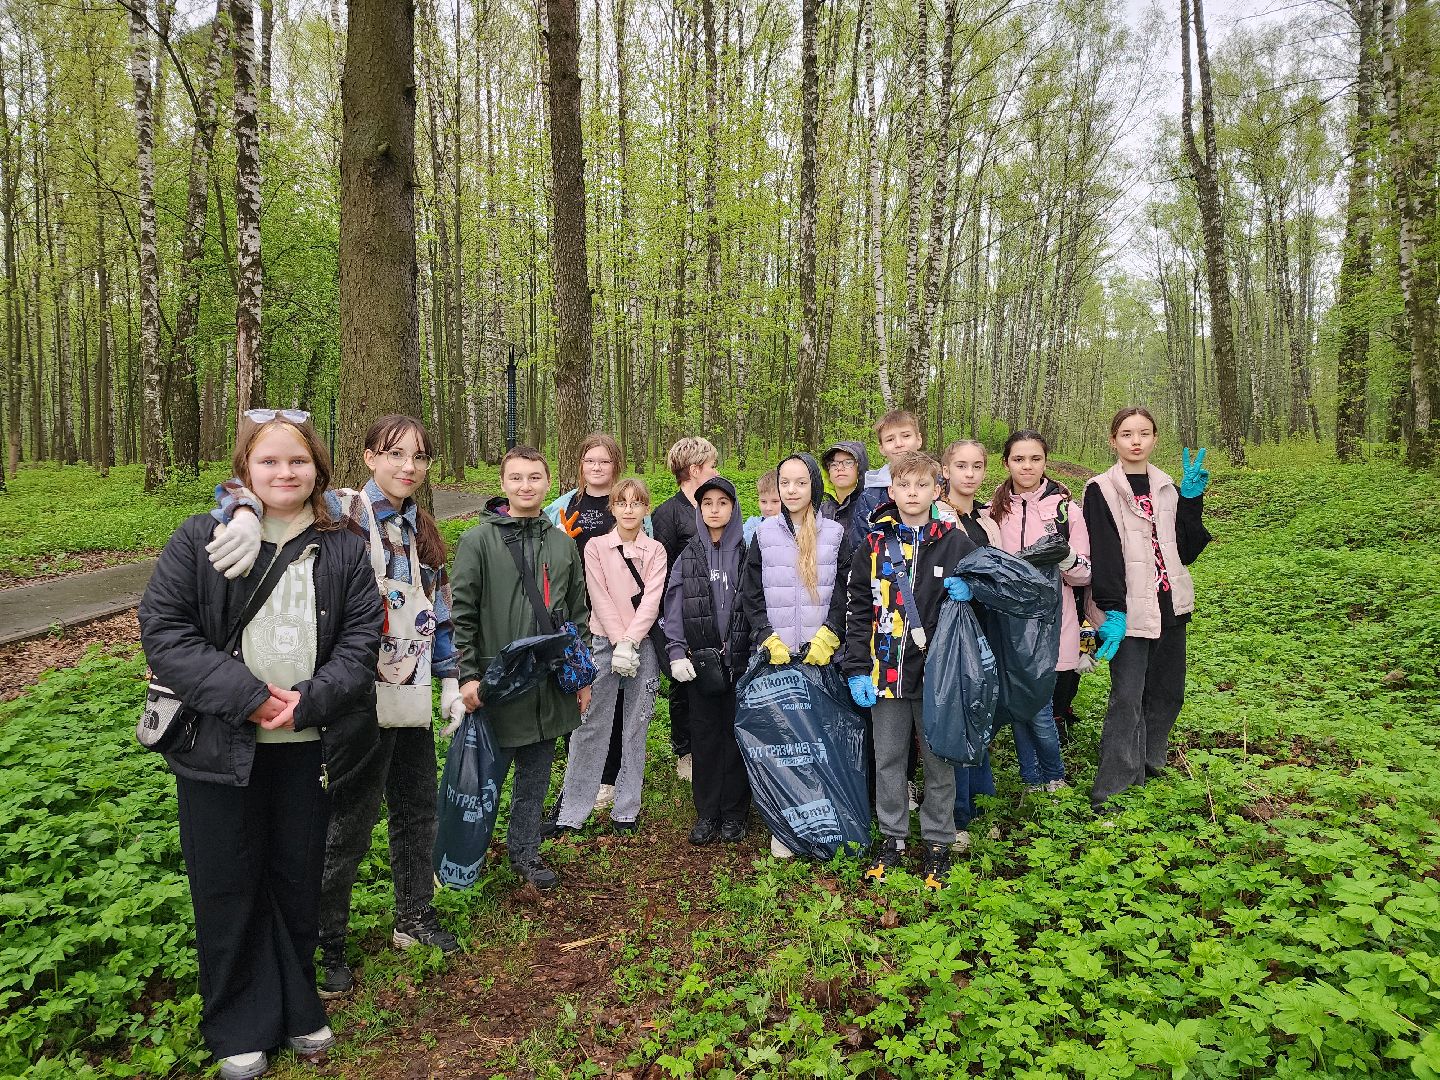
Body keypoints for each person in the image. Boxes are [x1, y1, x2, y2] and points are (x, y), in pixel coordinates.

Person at [139, 410, 383, 1080]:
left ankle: (296, 1002)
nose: (285, 473)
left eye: (298, 462)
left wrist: (312, 697)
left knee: (295, 877)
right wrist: (247, 695)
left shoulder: (342, 547)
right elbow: (165, 631)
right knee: (226, 882)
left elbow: (363, 640)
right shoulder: (202, 538)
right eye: (270, 461)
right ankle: (238, 1025)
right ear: (246, 469)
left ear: (319, 472)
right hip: (220, 747)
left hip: (306, 745)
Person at [205, 415, 465, 998]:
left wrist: (449, 676)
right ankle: (325, 945)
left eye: (419, 457)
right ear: (371, 456)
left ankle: (414, 917)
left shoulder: (421, 526)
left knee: (417, 807)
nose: (409, 467)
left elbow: (439, 611)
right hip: (351, 693)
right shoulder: (345, 509)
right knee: (348, 820)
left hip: (410, 687)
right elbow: (252, 487)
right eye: (396, 455)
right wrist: (243, 516)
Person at [450, 446, 593, 889]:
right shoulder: (479, 541)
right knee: (483, 778)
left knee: (535, 776)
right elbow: (463, 613)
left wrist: (580, 677)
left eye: (534, 478)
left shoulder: (562, 543)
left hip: (548, 684)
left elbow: (577, 613)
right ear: (502, 484)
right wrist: (468, 675)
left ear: (549, 484)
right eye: (516, 478)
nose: (525, 486)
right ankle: (463, 856)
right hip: (499, 683)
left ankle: (525, 854)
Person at [841, 451, 976, 890]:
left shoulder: (956, 542)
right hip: (886, 671)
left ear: (937, 490)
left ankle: (937, 842)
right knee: (889, 759)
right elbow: (858, 606)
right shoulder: (874, 543)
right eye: (904, 486)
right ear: (891, 491)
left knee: (939, 763)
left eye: (922, 485)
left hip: (938, 676)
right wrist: (858, 666)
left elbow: (991, 588)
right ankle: (892, 839)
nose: (912, 493)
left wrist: (971, 587)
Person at [1084, 408, 1211, 811]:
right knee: (1127, 696)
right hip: (1128, 608)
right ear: (1113, 441)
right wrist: (1111, 609)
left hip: (1169, 602)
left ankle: (1150, 765)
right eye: (1126, 433)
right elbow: (1103, 553)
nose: (1135, 441)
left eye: (1143, 433)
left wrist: (1191, 501)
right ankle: (1114, 788)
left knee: (1168, 692)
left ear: (1156, 439)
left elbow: (1186, 549)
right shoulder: (1100, 489)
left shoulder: (1167, 487)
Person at [739, 452, 846, 858]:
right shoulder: (763, 533)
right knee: (784, 742)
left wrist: (830, 634)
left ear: (814, 487)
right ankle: (786, 826)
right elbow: (750, 592)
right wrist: (766, 636)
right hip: (778, 656)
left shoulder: (835, 534)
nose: (792, 490)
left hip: (821, 656)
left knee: (820, 740)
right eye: (785, 483)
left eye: (801, 482)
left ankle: (829, 818)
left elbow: (846, 591)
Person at [552, 478, 668, 834]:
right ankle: (572, 812)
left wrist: (631, 641)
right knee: (590, 724)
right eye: (622, 503)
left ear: (645, 508)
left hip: (642, 644)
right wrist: (618, 641)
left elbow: (652, 600)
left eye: (636, 503)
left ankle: (626, 809)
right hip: (604, 642)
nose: (629, 509)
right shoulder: (597, 547)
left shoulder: (656, 551)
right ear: (612, 508)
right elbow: (598, 595)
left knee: (636, 725)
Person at [982, 430, 1091, 795]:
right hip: (1010, 622)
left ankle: (1052, 774)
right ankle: (1033, 778)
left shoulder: (1065, 510)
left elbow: (1086, 573)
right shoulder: (994, 512)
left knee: (1040, 702)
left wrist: (1064, 558)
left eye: (1035, 459)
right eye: (1018, 459)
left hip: (1054, 620)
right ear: (1006, 463)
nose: (1027, 467)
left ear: (1046, 461)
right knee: (1019, 701)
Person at [662, 476, 752, 844]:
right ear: (699, 510)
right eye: (707, 503)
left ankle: (734, 813)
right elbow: (674, 607)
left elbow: (754, 604)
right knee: (705, 737)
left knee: (735, 736)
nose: (715, 509)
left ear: (734, 508)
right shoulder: (688, 554)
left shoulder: (748, 552)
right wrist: (676, 650)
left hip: (739, 664)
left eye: (722, 502)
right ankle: (707, 813)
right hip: (700, 664)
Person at [934, 439, 1000, 850]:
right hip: (948, 630)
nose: (970, 473)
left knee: (980, 713)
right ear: (946, 470)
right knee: (955, 718)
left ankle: (982, 804)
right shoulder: (937, 516)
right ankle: (957, 814)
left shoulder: (988, 522)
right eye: (961, 465)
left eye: (977, 466)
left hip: (983, 626)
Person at [650, 437, 720, 780]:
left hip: (714, 611)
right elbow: (658, 571)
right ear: (695, 470)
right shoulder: (667, 513)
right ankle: (685, 752)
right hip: (678, 614)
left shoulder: (716, 505)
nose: (716, 471)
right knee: (682, 685)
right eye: (712, 466)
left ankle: (713, 744)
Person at [843, 410, 926, 558]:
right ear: (881, 448)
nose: (899, 444)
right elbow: (859, 549)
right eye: (890, 439)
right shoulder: (870, 496)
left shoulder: (938, 487)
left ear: (919, 439)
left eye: (906, 436)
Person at [819, 440, 870, 535]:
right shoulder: (820, 512)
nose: (839, 468)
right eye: (834, 464)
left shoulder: (871, 508)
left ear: (860, 468)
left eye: (848, 463)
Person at [742, 469, 781, 544]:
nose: (768, 508)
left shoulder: (792, 527)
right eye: (763, 502)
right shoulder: (753, 523)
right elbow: (742, 542)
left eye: (775, 501)